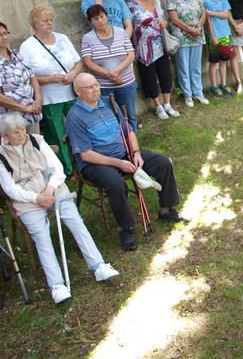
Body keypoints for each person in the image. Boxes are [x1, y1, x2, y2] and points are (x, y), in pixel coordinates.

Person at [0, 113, 120, 304]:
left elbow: (57, 168)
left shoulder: (36, 140)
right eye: (15, 132)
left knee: (75, 221)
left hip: (53, 188)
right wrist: (36, 197)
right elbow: (10, 189)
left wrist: (49, 189)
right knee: (41, 237)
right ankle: (57, 285)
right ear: (5, 136)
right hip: (27, 199)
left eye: (23, 129)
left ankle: (98, 265)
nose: (21, 134)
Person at [66, 73, 187, 251]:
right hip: (96, 163)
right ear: (77, 91)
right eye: (90, 87)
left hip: (125, 153)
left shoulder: (109, 103)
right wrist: (118, 163)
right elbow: (86, 155)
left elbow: (129, 131)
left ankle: (167, 209)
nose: (96, 89)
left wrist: (136, 153)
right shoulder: (75, 116)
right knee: (116, 184)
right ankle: (126, 229)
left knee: (163, 163)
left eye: (97, 85)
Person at [19, 6, 83, 175]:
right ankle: (66, 169)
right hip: (49, 97)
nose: (49, 23)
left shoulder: (62, 38)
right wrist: (49, 79)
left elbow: (78, 62)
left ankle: (85, 161)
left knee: (80, 128)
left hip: (71, 93)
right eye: (44, 20)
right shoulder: (28, 46)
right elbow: (26, 76)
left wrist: (73, 74)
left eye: (51, 20)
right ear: (34, 23)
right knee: (56, 134)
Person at [126, 0, 180, 120]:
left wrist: (164, 22)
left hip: (161, 44)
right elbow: (129, 24)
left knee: (165, 74)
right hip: (144, 47)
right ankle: (158, 106)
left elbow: (163, 18)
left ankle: (167, 104)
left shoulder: (155, 1)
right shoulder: (131, 4)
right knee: (149, 77)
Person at [80, 4, 139, 131]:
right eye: (95, 19)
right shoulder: (87, 38)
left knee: (129, 115)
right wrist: (110, 75)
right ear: (91, 21)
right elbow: (88, 63)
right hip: (104, 87)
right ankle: (117, 141)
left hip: (125, 83)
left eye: (102, 16)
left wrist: (116, 71)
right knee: (110, 118)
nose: (100, 21)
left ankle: (133, 141)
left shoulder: (121, 32)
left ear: (107, 16)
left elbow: (131, 55)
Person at [0, 21, 43, 141]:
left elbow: (32, 76)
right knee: (16, 150)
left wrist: (38, 99)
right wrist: (24, 108)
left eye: (5, 33)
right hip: (11, 121)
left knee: (36, 146)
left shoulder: (15, 55)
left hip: (31, 113)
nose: (4, 37)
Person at [167, 0, 209, 107]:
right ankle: (187, 94)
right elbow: (174, 19)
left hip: (197, 35)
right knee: (183, 67)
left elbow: (203, 13)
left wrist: (197, 29)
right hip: (181, 36)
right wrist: (190, 30)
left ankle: (198, 92)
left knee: (195, 66)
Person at [203, 0, 236, 98]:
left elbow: (225, 15)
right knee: (214, 62)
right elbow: (208, 21)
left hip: (225, 34)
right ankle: (213, 86)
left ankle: (223, 84)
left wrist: (210, 12)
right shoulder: (206, 2)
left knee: (223, 61)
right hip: (214, 36)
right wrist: (213, 36)